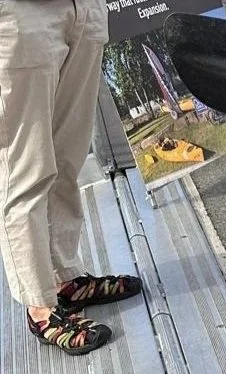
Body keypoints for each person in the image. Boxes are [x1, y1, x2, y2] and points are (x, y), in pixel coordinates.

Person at [0, 0, 142, 355]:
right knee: (26, 167)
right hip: (21, 15)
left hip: (84, 8)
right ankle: (40, 305)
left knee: (68, 157)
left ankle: (65, 277)